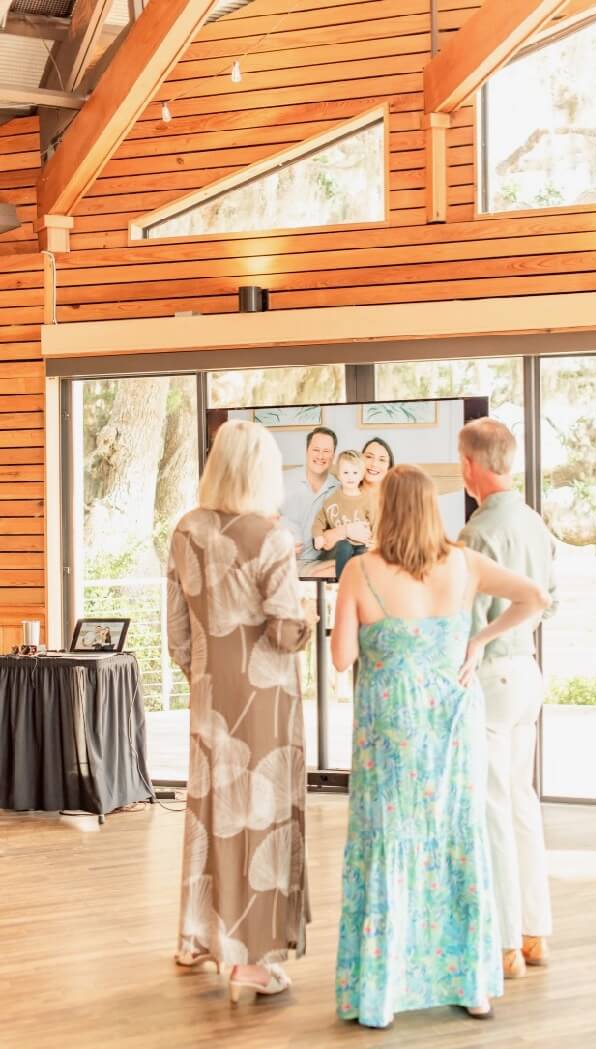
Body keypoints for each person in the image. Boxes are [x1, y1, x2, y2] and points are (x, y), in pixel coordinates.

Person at [331, 464, 550, 1028]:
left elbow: (341, 658)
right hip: (452, 722)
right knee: (457, 840)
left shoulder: (359, 571)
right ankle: (473, 988)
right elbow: (534, 597)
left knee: (389, 846)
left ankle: (382, 997)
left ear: (385, 511)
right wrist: (479, 639)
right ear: (434, 509)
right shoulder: (465, 564)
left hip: (390, 731)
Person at [167, 420, 313, 1005]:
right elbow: (282, 631)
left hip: (210, 690)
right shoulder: (270, 538)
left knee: (209, 812)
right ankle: (250, 964)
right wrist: (308, 621)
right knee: (260, 815)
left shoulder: (186, 530)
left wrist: (201, 673)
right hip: (265, 697)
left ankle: (198, 936)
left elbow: (177, 630)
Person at [458, 419, 558, 980]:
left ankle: (502, 945)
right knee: (521, 802)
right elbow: (550, 600)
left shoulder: (476, 532)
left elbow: (468, 614)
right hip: (528, 671)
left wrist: (475, 641)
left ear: (472, 465)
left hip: (493, 673)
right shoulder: (535, 523)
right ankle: (533, 931)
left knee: (493, 805)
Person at [280, 426, 339, 572]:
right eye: (316, 450)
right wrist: (279, 543)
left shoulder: (339, 489)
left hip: (319, 566)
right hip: (281, 561)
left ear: (333, 455)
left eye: (327, 451)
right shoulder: (283, 480)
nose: (321, 456)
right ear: (307, 451)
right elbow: (262, 520)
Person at [312, 450, 377, 578]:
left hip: (361, 545)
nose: (350, 477)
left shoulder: (367, 500)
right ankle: (340, 582)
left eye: (355, 473)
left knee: (363, 555)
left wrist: (374, 540)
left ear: (361, 475)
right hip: (338, 547)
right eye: (346, 473)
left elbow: (375, 521)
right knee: (345, 545)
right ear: (339, 475)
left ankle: (358, 585)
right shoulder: (331, 500)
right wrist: (318, 536)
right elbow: (318, 521)